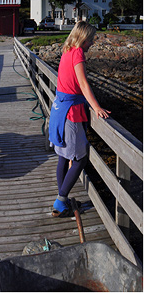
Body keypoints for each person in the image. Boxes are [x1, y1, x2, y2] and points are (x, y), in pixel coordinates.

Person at [47, 22, 110, 217]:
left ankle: (62, 199)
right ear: (83, 38)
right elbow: (83, 84)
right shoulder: (78, 54)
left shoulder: (67, 50)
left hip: (60, 109)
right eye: (91, 39)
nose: (92, 42)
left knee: (64, 156)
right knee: (81, 159)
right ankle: (60, 202)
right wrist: (96, 107)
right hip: (70, 114)